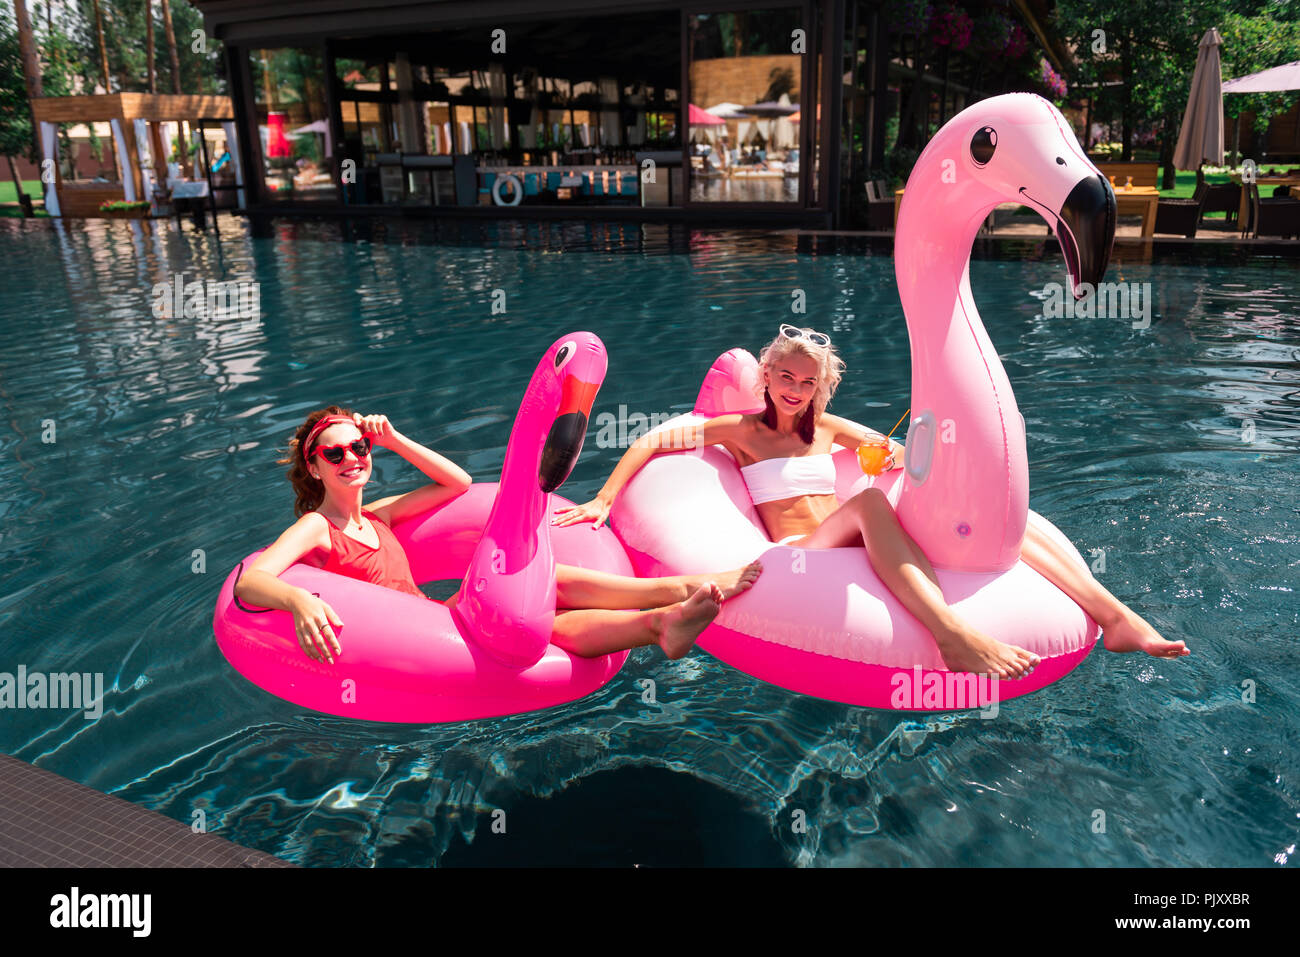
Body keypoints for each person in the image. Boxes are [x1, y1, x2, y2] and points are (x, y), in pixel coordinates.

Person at [554, 326, 1189, 680]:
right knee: (869, 509)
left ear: (820, 386)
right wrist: (605, 499)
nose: (796, 391)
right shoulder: (743, 431)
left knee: (955, 501)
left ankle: (1114, 617)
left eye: (809, 382)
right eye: (785, 377)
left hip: (844, 536)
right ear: (767, 376)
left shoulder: (829, 429)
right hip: (794, 553)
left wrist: (892, 460)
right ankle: (951, 634)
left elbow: (912, 455)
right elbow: (658, 437)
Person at [233, 407, 762, 666]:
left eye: (359, 448)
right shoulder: (315, 527)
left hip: (442, 617)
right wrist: (299, 600)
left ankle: (672, 609)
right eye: (335, 453)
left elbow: (457, 482)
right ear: (315, 465)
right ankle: (662, 621)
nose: (352, 459)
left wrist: (392, 438)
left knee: (543, 588)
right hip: (425, 644)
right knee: (534, 610)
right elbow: (251, 582)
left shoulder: (379, 517)